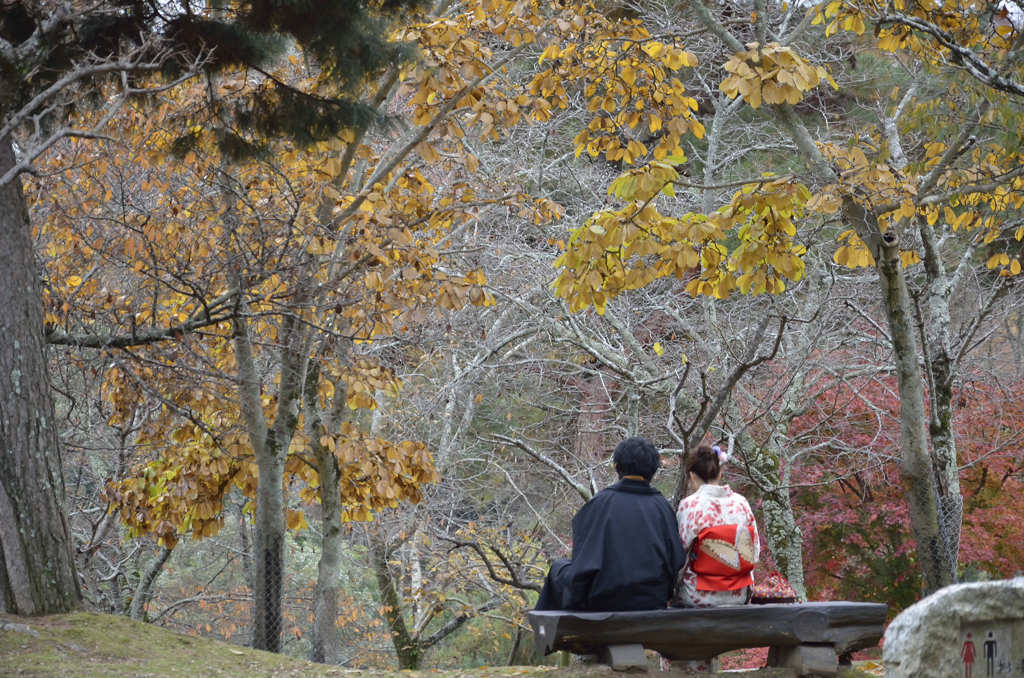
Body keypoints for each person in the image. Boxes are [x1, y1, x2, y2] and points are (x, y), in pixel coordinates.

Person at [535, 437, 686, 611]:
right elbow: (676, 559)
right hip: (651, 600)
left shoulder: (599, 504)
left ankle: (549, 633)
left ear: (617, 467)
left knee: (558, 568)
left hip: (602, 599)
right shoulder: (663, 508)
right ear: (653, 471)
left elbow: (582, 561)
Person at [673, 442, 759, 609]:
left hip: (697, 594)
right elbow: (754, 553)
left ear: (692, 476)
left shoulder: (690, 505)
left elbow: (680, 559)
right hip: (738, 594)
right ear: (719, 475)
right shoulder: (741, 503)